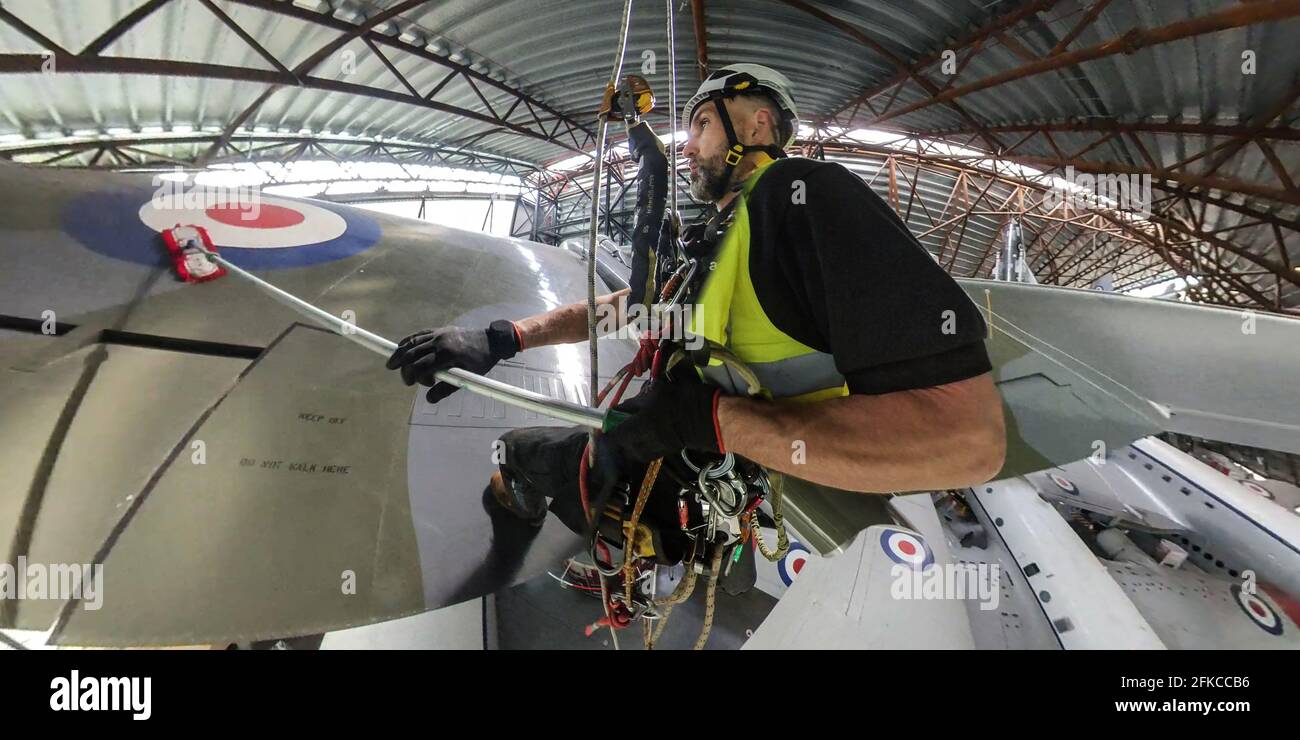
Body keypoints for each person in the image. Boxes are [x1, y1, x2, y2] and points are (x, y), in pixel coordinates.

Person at [387, 63, 1006, 554]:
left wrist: (711, 422)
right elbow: (639, 309)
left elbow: (970, 443)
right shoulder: (724, 238)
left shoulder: (804, 199)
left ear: (758, 126)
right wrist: (503, 338)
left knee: (518, 450)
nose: (687, 147)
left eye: (703, 124)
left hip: (709, 465)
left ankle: (516, 522)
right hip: (682, 468)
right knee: (540, 452)